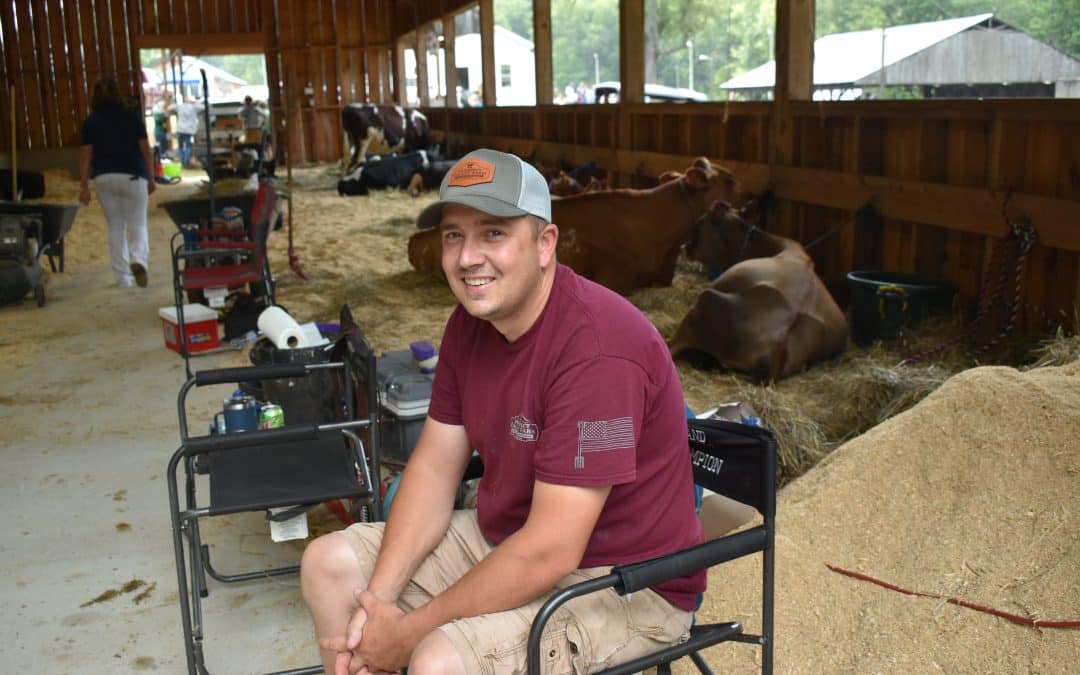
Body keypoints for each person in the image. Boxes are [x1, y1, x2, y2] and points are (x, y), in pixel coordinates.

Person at [300, 149, 703, 674]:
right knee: (327, 566)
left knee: (436, 660)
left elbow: (553, 549)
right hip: (511, 538)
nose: (467, 257)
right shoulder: (469, 326)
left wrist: (408, 634)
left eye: (493, 233)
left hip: (622, 582)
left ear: (544, 244)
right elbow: (433, 470)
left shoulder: (600, 351)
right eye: (453, 234)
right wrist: (379, 605)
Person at [79, 76, 156, 288]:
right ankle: (139, 260)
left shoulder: (91, 122)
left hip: (104, 178)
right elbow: (145, 151)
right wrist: (151, 178)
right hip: (133, 176)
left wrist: (84, 186)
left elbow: (86, 156)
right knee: (137, 223)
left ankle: (123, 279)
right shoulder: (132, 118)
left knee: (115, 226)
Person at [172, 96, 201, 168]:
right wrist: (196, 103)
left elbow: (169, 107)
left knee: (180, 146)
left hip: (180, 129)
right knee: (188, 146)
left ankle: (182, 161)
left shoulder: (180, 106)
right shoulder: (194, 107)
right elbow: (203, 107)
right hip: (189, 130)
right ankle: (186, 162)